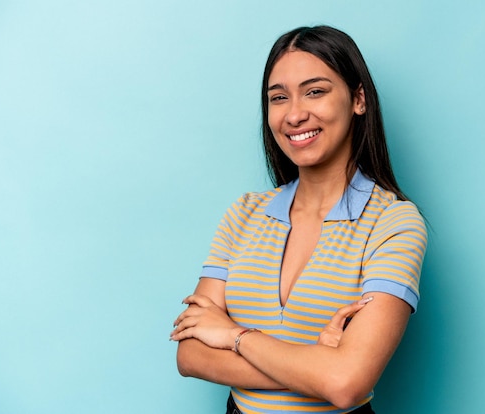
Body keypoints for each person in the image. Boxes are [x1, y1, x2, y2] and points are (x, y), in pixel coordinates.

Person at [171, 25, 427, 414]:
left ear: (358, 99)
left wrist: (233, 336)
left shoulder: (394, 223)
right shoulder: (244, 213)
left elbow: (346, 384)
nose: (294, 114)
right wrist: (315, 366)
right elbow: (190, 354)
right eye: (278, 98)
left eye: (315, 91)